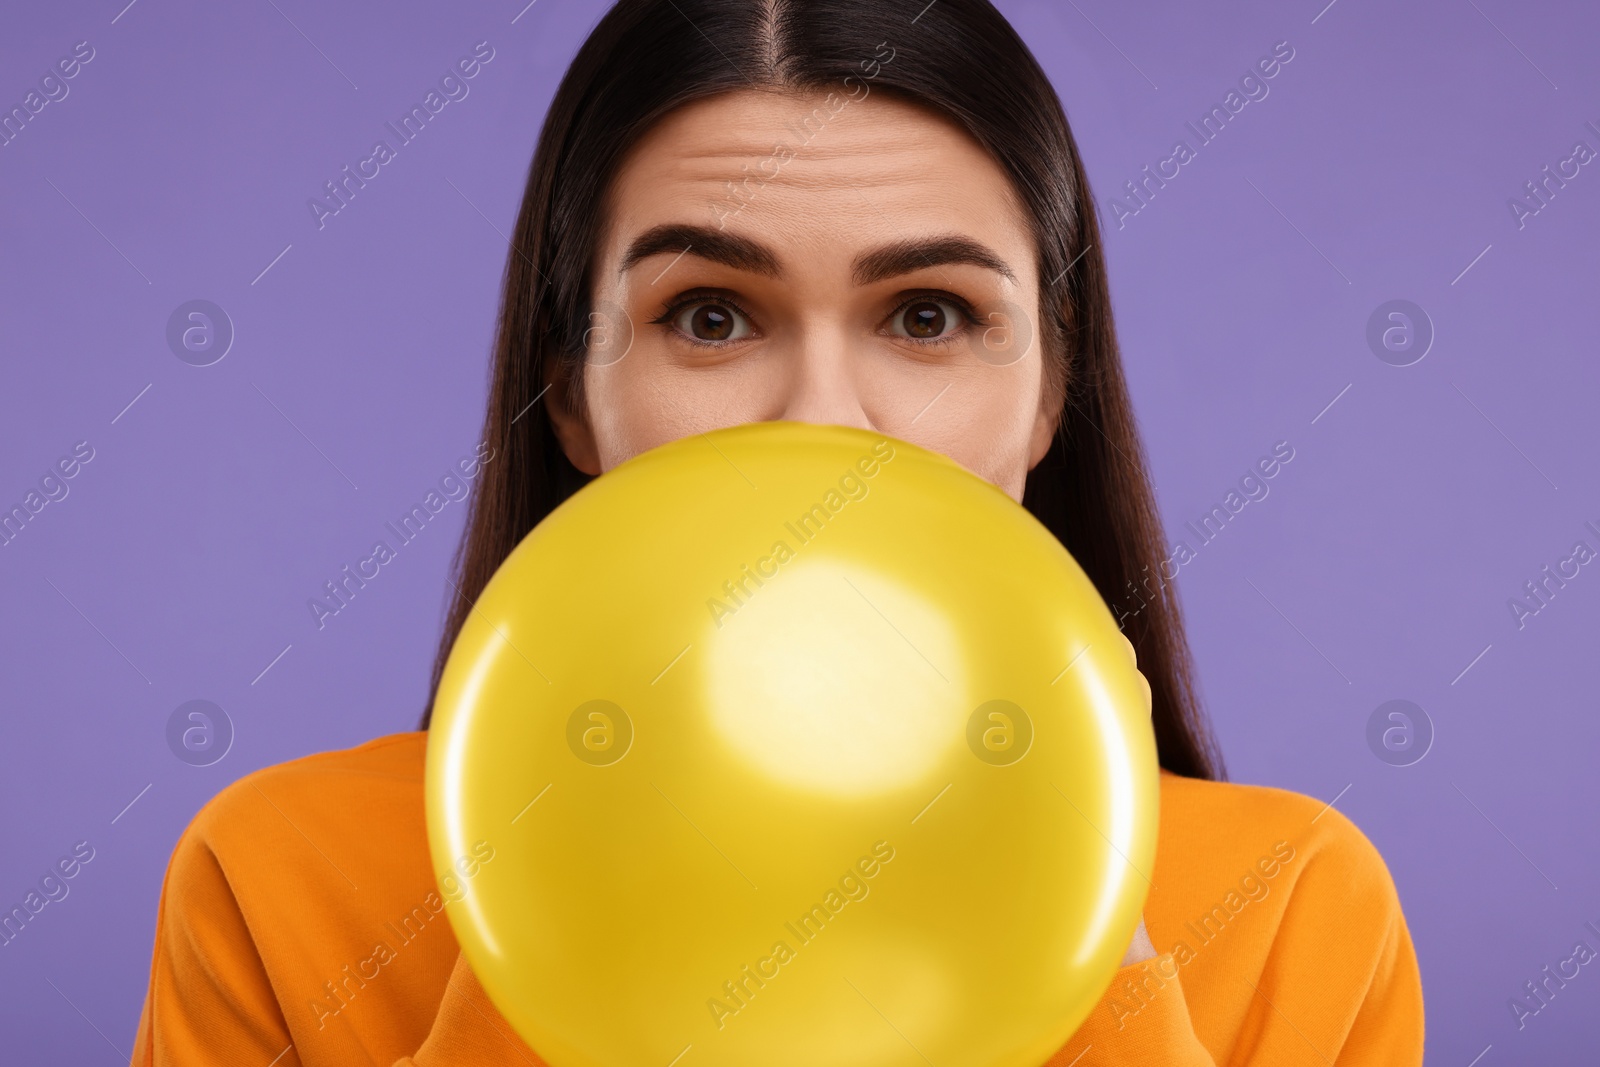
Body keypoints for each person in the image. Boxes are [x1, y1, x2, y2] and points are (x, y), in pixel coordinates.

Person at [129, 0, 1424, 1063]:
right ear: (572, 395)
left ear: (1050, 396)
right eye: (710, 316)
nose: (822, 427)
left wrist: (1105, 970)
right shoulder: (274, 889)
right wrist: (555, 924)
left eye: (926, 316)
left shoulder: (1296, 912)